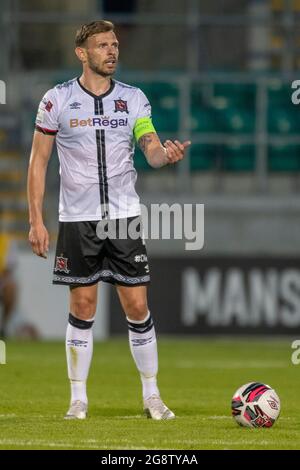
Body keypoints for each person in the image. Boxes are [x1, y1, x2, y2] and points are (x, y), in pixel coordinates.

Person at [27, 20, 190, 420]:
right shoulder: (57, 99)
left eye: (115, 44)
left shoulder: (134, 100)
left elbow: (149, 147)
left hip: (123, 218)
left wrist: (163, 157)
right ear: (82, 53)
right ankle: (78, 398)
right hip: (77, 219)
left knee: (136, 305)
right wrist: (36, 219)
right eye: (103, 45)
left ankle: (152, 395)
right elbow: (38, 161)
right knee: (82, 305)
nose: (112, 51)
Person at [0, 231, 17, 338]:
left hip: (2, 280)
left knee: (11, 287)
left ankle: (3, 327)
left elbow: (8, 269)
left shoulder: (7, 241)